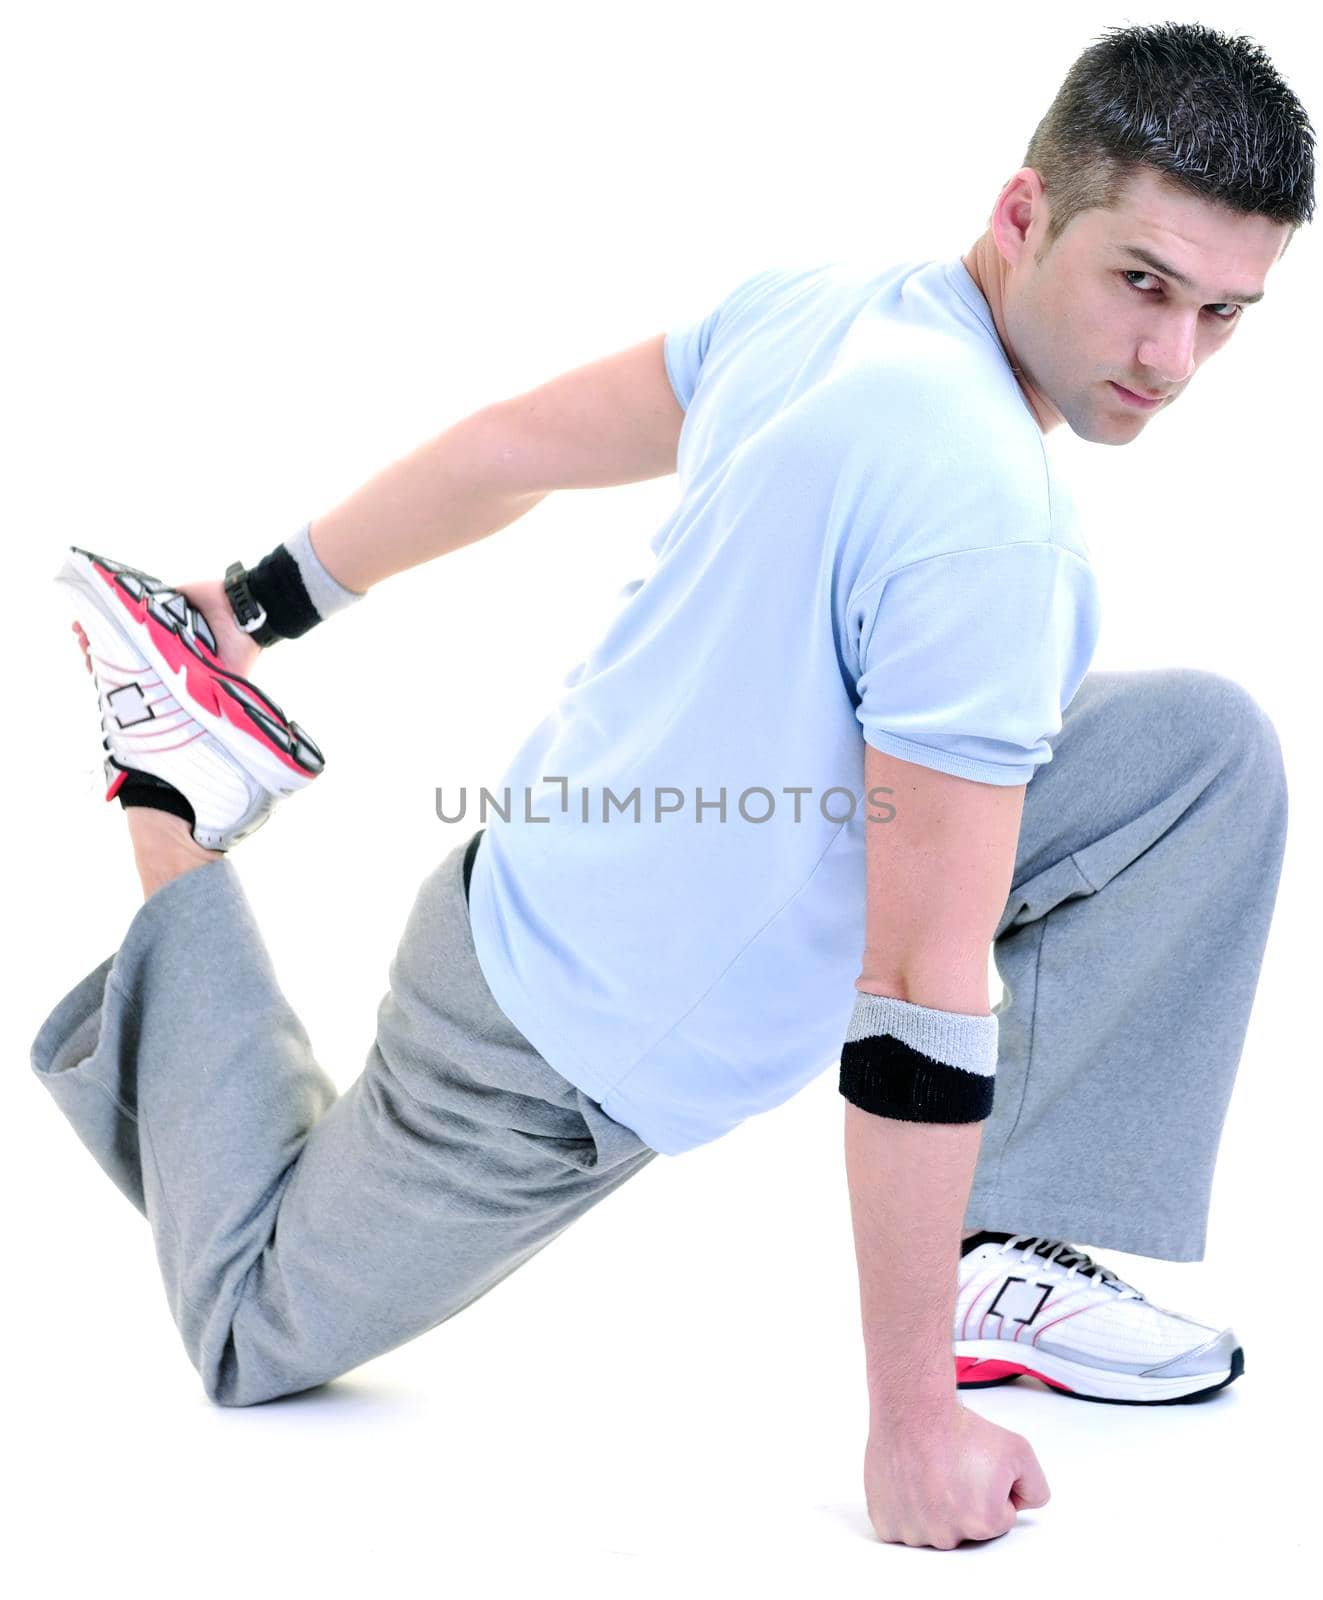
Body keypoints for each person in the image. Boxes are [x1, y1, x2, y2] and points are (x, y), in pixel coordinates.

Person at [33, 19, 1311, 1552]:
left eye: (1226, 314)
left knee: (1196, 757)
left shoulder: (834, 307)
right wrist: (906, 1426)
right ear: (1023, 212)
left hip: (601, 848)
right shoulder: (995, 528)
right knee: (250, 1332)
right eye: (1143, 284)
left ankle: (1005, 1261)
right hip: (543, 1050)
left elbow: (516, 447)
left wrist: (261, 600)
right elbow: (917, 987)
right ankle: (175, 790)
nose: (1172, 360)